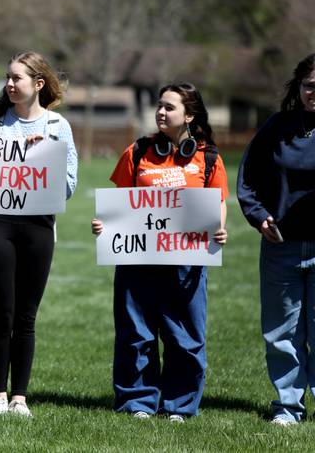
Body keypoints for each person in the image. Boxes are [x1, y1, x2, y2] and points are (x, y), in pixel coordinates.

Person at [91, 82, 228, 422]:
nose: (161, 112)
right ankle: (138, 402)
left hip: (186, 264)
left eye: (169, 107)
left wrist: (219, 231)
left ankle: (179, 405)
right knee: (135, 334)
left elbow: (218, 206)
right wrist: (103, 224)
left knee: (186, 338)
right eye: (160, 106)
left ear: (189, 115)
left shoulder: (208, 158)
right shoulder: (137, 151)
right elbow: (120, 203)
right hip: (138, 260)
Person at [0, 51, 78, 417]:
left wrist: (41, 158)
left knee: (27, 316)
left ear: (38, 84)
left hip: (39, 229)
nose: (9, 85)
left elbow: (69, 185)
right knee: (3, 314)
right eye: (7, 78)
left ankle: (20, 397)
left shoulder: (58, 126)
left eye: (17, 78)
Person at [237, 53, 315, 427]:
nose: (314, 92)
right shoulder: (277, 127)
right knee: (282, 332)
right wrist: (258, 215)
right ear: (298, 88)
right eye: (309, 85)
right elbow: (248, 180)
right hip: (280, 245)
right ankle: (288, 408)